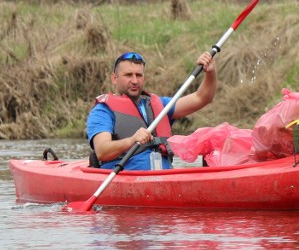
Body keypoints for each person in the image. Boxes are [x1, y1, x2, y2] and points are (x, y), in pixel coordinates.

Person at [86, 51, 216, 170]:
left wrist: (210, 73)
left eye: (139, 75)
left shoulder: (159, 105)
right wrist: (131, 140)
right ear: (114, 78)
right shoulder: (102, 111)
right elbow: (102, 151)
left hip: (162, 178)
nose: (135, 81)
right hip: (126, 180)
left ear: (144, 78)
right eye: (128, 75)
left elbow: (201, 98)